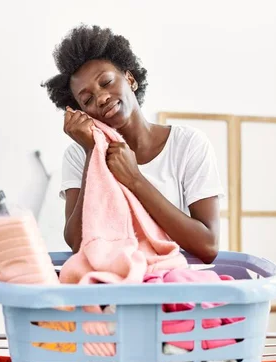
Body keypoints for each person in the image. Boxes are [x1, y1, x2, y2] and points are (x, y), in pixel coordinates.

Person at [42, 25, 224, 264]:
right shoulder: (79, 155)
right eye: (87, 99)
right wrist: (91, 152)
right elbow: (78, 244)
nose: (102, 98)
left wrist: (134, 179)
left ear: (130, 79)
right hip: (112, 286)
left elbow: (208, 246)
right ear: (82, 111)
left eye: (106, 82)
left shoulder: (188, 145)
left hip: (173, 283)